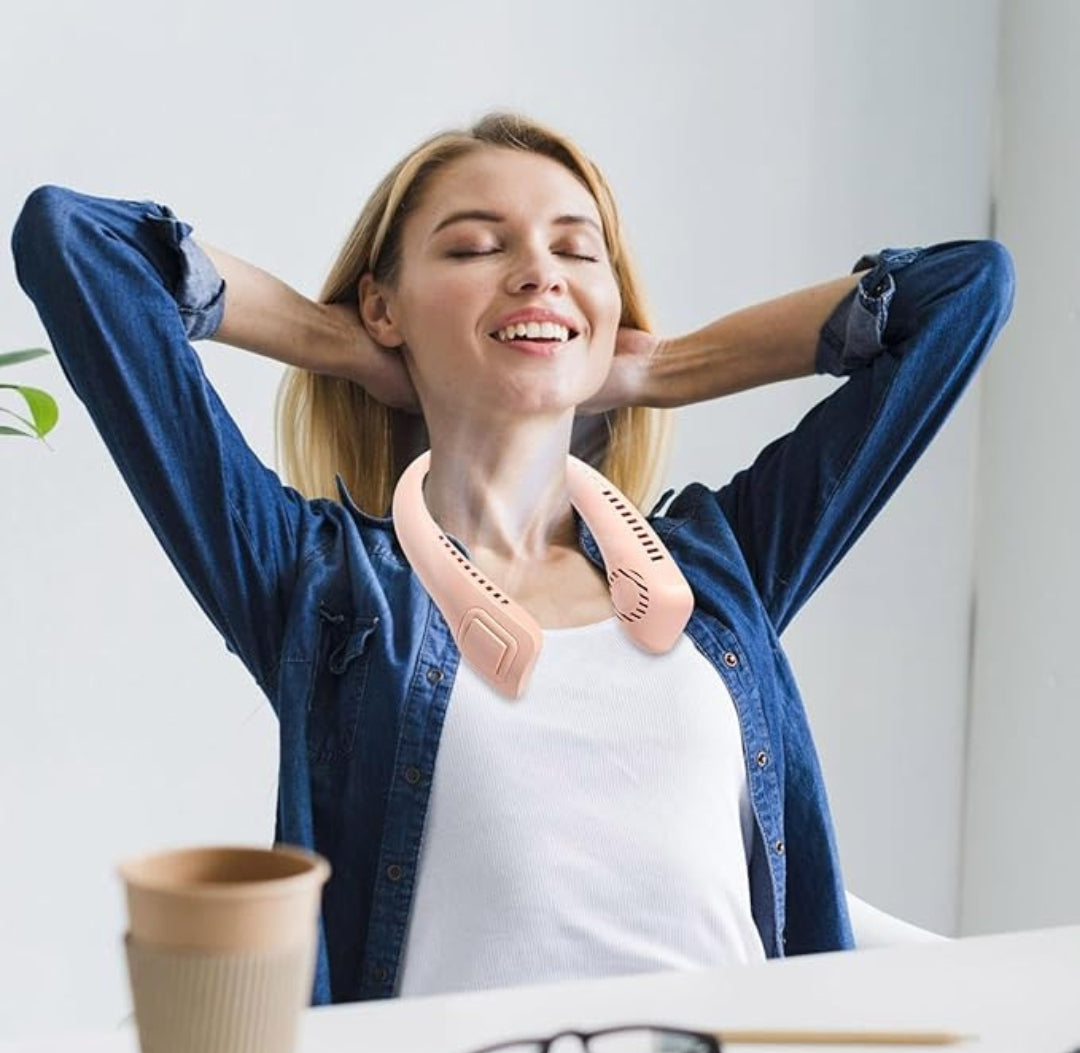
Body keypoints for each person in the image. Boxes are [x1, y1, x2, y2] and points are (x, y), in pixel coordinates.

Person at [10, 111, 1015, 1007]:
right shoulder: (320, 587)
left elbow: (966, 292)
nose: (538, 271)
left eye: (577, 251)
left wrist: (669, 365)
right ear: (386, 306)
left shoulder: (717, 569)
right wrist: (336, 342)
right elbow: (78, 243)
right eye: (478, 246)